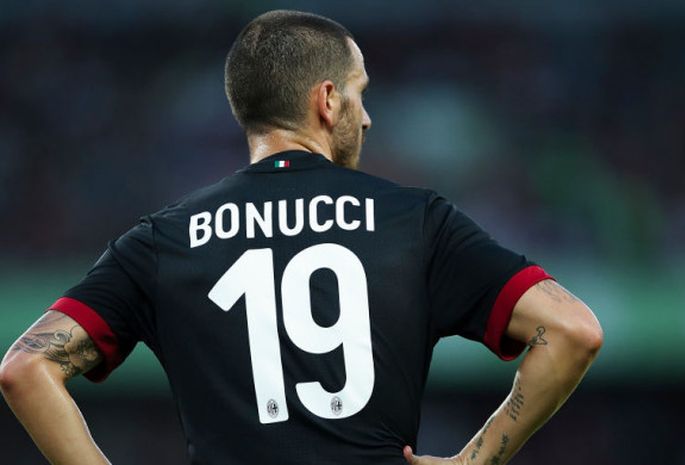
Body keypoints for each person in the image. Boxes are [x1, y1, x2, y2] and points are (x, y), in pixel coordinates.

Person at [0, 10, 603, 465]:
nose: (366, 117)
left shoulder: (162, 240)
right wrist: (473, 462)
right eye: (360, 93)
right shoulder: (414, 220)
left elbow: (25, 369)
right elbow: (573, 331)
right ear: (327, 99)